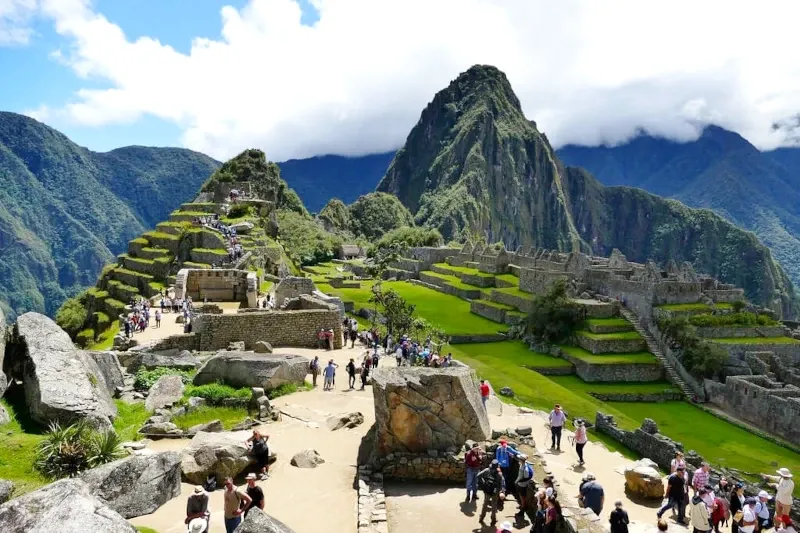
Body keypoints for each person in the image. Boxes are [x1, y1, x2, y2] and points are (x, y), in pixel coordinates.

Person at [477, 459, 506, 526]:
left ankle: (481, 518)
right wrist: (502, 492)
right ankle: (493, 520)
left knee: (485, 504)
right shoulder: (499, 474)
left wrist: (483, 483)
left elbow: (478, 476)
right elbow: (502, 484)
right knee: (494, 506)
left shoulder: (487, 470)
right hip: (495, 492)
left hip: (487, 490)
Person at [515, 453, 534, 518]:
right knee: (521, 496)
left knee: (523, 498)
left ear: (521, 460)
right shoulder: (522, 465)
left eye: (519, 458)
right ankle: (522, 506)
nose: (518, 459)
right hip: (520, 484)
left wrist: (519, 481)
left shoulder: (525, 468)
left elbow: (527, 477)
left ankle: (522, 511)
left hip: (522, 485)